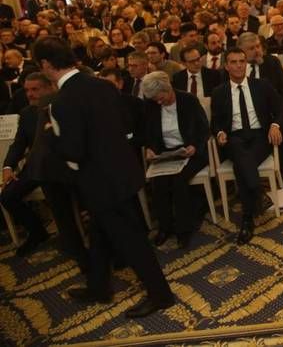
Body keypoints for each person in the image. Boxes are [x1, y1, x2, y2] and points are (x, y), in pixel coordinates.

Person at [33, 37, 174, 318]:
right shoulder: (102, 85)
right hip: (123, 171)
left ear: (46, 65)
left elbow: (73, 152)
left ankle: (161, 294)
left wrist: (50, 135)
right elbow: (123, 125)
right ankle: (99, 287)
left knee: (131, 240)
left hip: (101, 183)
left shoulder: (62, 102)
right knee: (99, 234)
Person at [1, 73, 86, 265]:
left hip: (61, 166)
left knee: (57, 196)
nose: (30, 94)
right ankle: (37, 231)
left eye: (35, 89)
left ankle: (73, 242)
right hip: (34, 167)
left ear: (49, 88)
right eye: (27, 90)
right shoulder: (26, 113)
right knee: (7, 196)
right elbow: (19, 144)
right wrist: (8, 166)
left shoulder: (62, 108)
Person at [210, 48, 283, 244]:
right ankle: (258, 194)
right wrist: (220, 133)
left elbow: (280, 109)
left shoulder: (262, 85)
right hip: (234, 137)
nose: (238, 66)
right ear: (226, 66)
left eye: (241, 61)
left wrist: (275, 125)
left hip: (260, 136)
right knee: (239, 152)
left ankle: (247, 218)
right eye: (233, 62)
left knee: (241, 165)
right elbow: (215, 122)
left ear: (246, 64)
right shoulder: (219, 92)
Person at [142, 71, 210, 249]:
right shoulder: (151, 105)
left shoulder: (188, 100)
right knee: (158, 183)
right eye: (155, 99)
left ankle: (184, 229)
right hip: (166, 153)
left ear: (168, 88)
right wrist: (150, 148)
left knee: (179, 182)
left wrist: (194, 146)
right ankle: (165, 227)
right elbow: (149, 133)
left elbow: (204, 130)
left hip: (191, 152)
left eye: (161, 98)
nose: (158, 102)